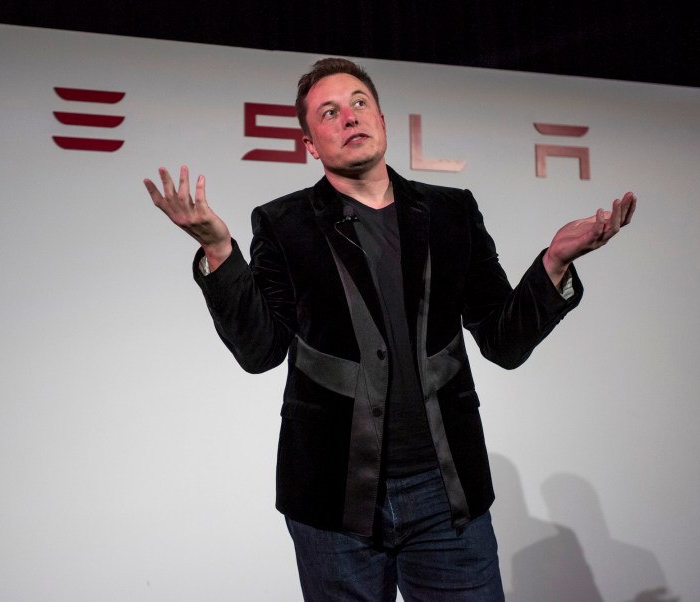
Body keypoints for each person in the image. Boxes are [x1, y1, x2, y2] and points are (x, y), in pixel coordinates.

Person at [143, 57, 635, 601]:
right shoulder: (282, 223)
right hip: (332, 500)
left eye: (358, 104)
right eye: (329, 112)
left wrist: (555, 264)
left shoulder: (451, 212)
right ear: (310, 143)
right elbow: (261, 350)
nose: (349, 118)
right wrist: (218, 251)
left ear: (382, 119)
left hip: (446, 496)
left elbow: (503, 339)